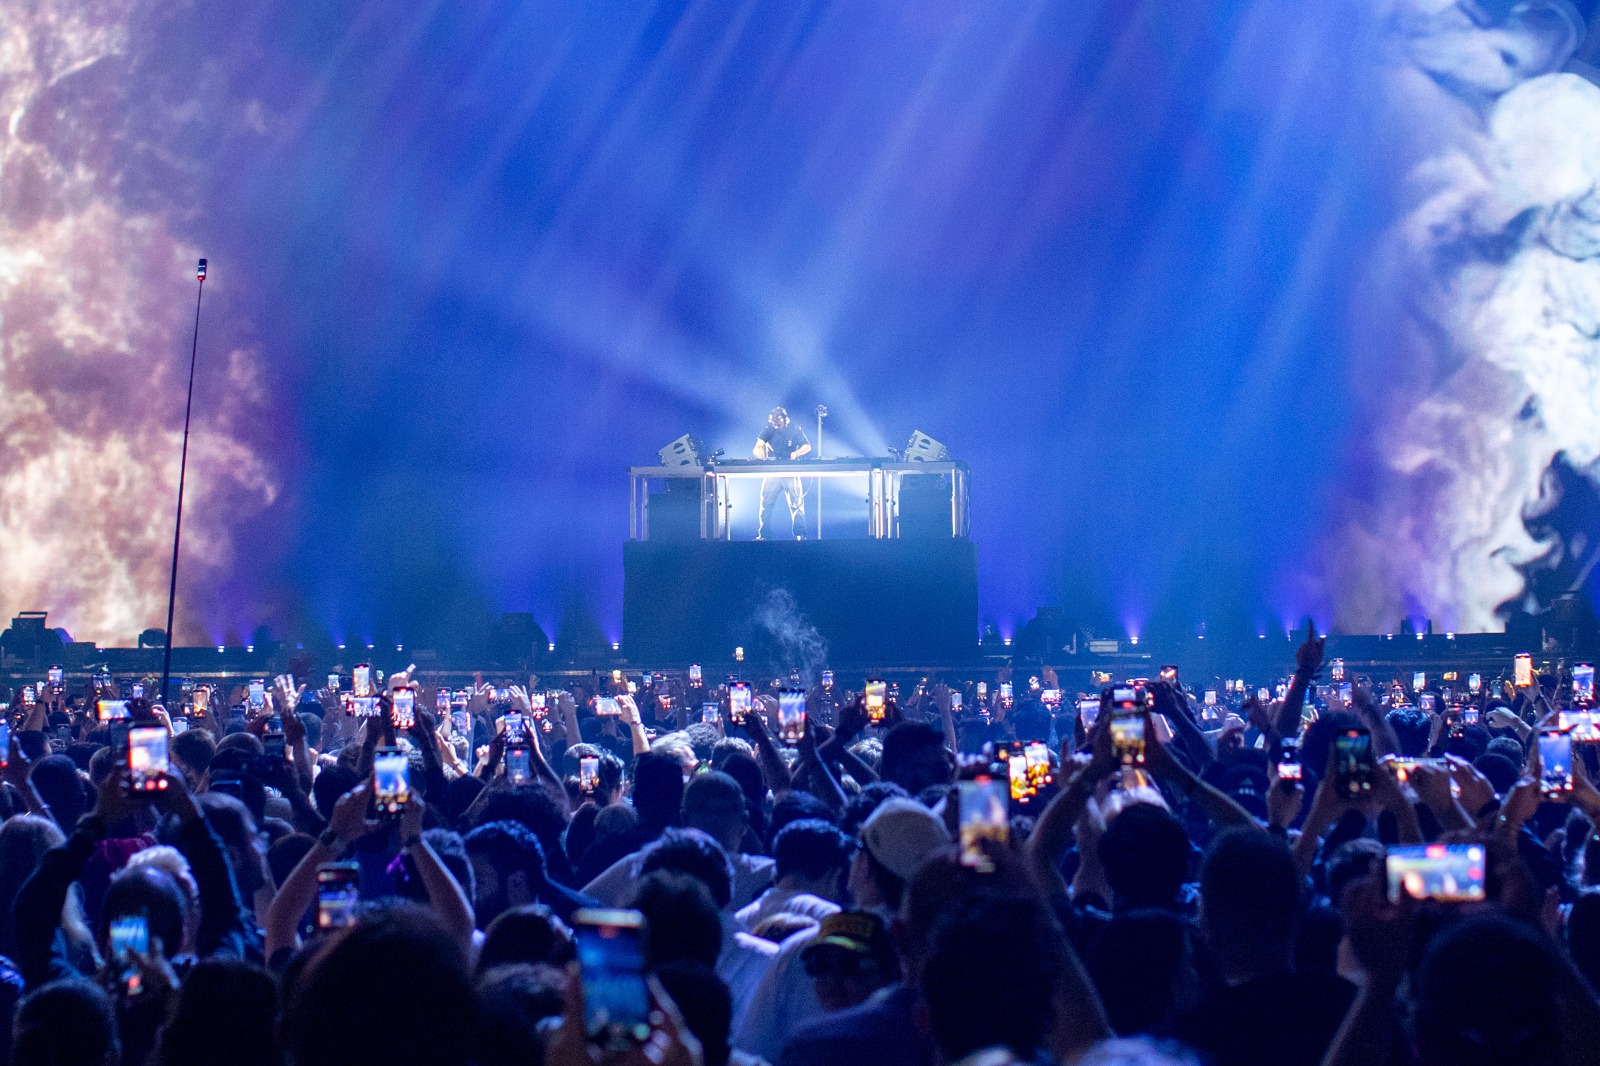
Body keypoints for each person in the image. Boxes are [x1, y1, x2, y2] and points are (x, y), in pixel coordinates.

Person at [753, 407, 811, 540]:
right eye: (774, 423)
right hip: (772, 471)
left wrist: (796, 453)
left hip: (790, 470)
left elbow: (807, 446)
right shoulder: (768, 429)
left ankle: (800, 535)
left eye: (778, 423)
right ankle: (764, 536)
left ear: (785, 420)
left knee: (797, 503)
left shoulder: (795, 429)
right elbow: (758, 446)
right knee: (766, 504)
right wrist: (759, 453)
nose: (776, 426)